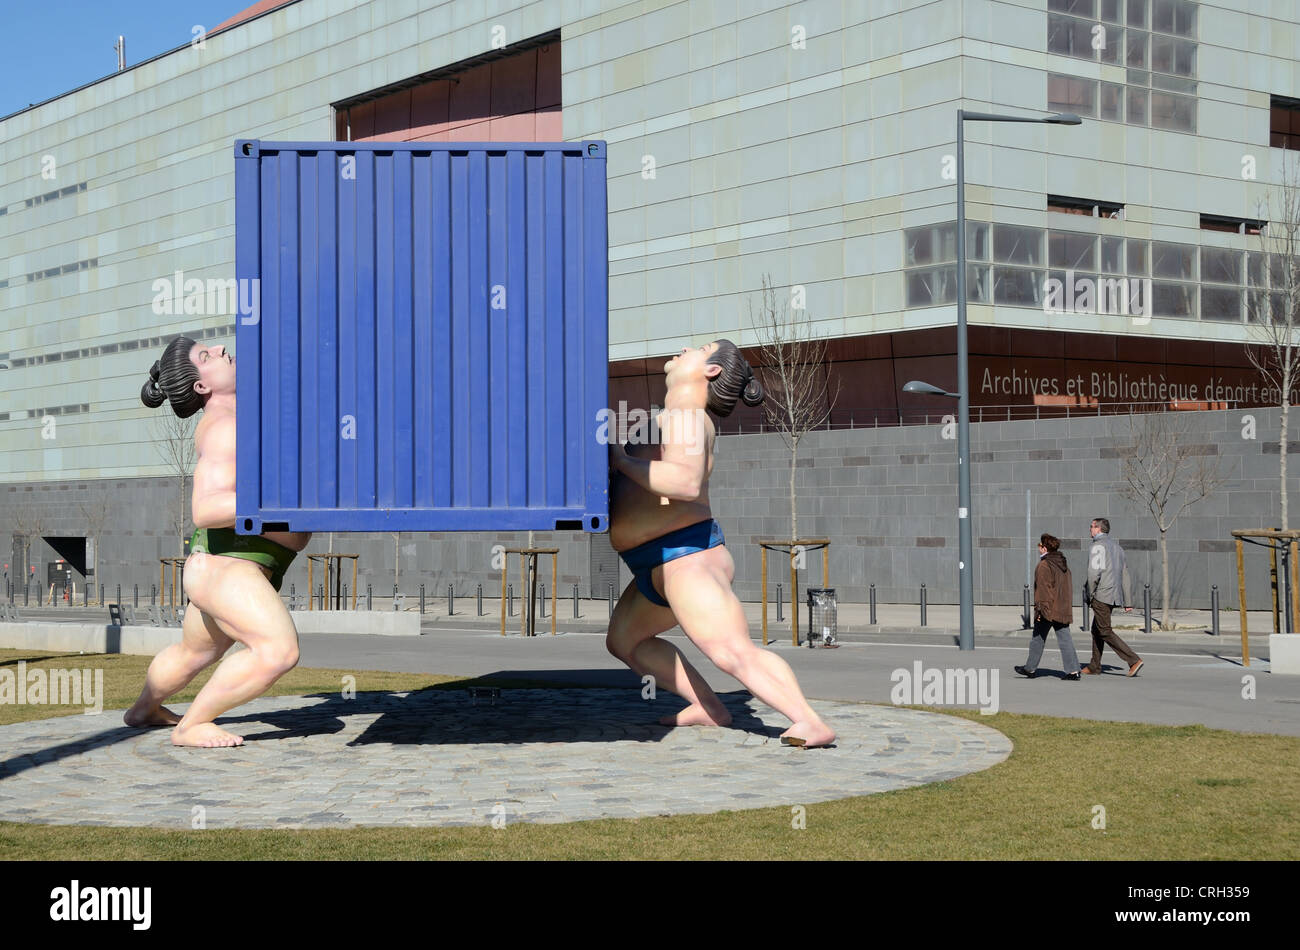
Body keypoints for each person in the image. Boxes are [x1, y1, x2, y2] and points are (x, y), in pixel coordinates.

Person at [606, 340, 835, 748]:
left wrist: (623, 462)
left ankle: (809, 721)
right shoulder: (672, 417)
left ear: (711, 371)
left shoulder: (689, 418)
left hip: (687, 556)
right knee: (625, 641)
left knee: (732, 651)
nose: (683, 348)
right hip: (654, 561)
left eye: (700, 347)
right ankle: (708, 705)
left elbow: (685, 482)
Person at [125, 336, 311, 747]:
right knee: (278, 651)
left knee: (193, 652)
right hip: (228, 568)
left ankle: (144, 710)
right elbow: (206, 508)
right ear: (201, 387)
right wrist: (274, 506)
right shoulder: (225, 428)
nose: (222, 349)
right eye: (205, 356)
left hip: (217, 565)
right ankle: (193, 725)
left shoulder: (237, 419)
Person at [1083, 517, 1143, 677]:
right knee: (1097, 630)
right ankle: (1094, 666)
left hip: (1102, 594)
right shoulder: (1118, 548)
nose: (1089, 529)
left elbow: (1093, 574)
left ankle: (1133, 660)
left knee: (1104, 630)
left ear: (1098, 529)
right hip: (1113, 595)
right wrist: (1127, 601)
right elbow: (1125, 575)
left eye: (1091, 527)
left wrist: (1091, 593)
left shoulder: (1097, 547)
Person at [1015, 533, 1081, 680]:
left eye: (1040, 545)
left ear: (1044, 548)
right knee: (1065, 639)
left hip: (1048, 610)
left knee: (1038, 638)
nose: (1038, 547)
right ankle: (1073, 671)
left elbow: (1043, 591)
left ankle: (1030, 669)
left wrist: (1040, 611)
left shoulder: (1044, 565)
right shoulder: (1062, 564)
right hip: (1061, 608)